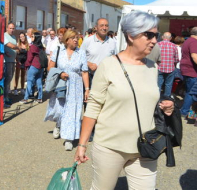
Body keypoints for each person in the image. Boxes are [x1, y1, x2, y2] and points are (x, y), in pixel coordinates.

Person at [74, 11, 174, 190]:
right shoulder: (108, 65)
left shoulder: (153, 67)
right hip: (110, 147)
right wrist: (82, 144)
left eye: (156, 35)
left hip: (145, 146)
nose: (154, 41)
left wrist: (166, 107)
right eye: (149, 35)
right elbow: (94, 107)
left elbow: (147, 100)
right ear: (131, 35)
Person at [45, 30, 89, 148]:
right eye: (73, 38)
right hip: (61, 85)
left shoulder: (81, 53)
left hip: (76, 87)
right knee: (60, 110)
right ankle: (59, 125)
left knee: (72, 112)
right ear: (67, 40)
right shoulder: (58, 51)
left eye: (77, 38)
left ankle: (69, 139)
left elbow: (84, 72)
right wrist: (60, 73)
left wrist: (87, 89)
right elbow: (50, 67)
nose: (76, 40)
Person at [80, 18, 116, 85]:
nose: (104, 28)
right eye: (101, 25)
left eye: (106, 26)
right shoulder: (88, 41)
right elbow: (78, 57)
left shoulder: (112, 42)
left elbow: (115, 59)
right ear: (96, 28)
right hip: (90, 77)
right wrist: (88, 64)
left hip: (106, 78)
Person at [21, 31, 44, 104]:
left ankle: (25, 98)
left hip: (33, 66)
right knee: (39, 82)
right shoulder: (41, 47)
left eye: (32, 36)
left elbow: (29, 58)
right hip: (40, 67)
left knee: (29, 82)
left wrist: (26, 66)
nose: (31, 38)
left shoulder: (33, 47)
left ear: (36, 38)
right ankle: (40, 98)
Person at [180, 27, 197, 116]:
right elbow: (194, 56)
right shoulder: (194, 42)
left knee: (189, 92)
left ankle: (184, 111)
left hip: (186, 69)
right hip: (192, 71)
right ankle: (186, 112)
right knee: (192, 93)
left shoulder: (188, 40)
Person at [158, 32, 179, 97]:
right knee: (168, 84)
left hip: (159, 67)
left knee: (158, 84)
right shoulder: (174, 46)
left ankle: (157, 98)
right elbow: (176, 59)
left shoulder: (157, 45)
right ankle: (166, 98)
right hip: (170, 68)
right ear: (170, 38)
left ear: (162, 37)